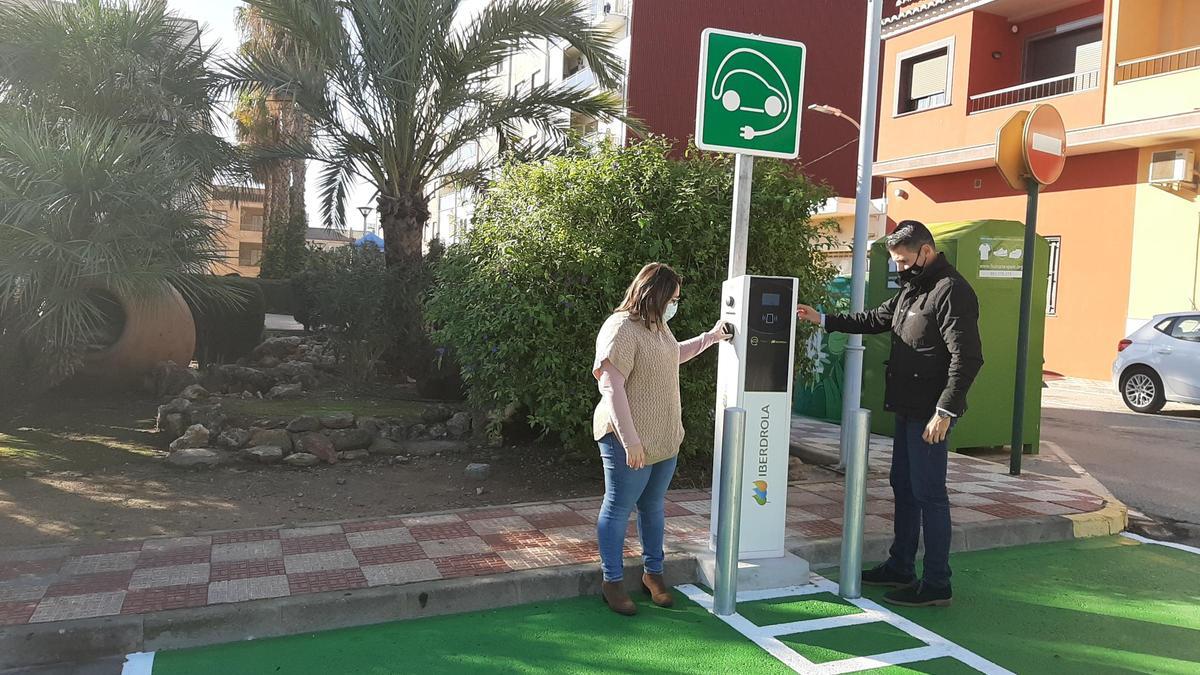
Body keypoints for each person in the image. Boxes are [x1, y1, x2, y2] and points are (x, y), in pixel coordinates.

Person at [796, 220, 983, 607]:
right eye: (896, 261)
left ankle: (936, 583)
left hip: (931, 415)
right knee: (904, 487)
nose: (899, 267)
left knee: (930, 495)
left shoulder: (951, 291)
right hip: (907, 409)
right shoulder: (913, 290)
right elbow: (874, 320)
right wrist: (823, 319)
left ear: (925, 252)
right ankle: (900, 565)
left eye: (903, 260)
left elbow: (967, 358)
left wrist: (945, 410)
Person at [591, 262, 731, 616]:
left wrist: (710, 338)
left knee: (652, 507)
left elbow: (671, 358)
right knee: (618, 508)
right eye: (673, 298)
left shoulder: (659, 327)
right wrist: (630, 440)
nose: (675, 304)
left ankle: (653, 574)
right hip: (629, 440)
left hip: (665, 439)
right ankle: (612, 581)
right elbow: (611, 385)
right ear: (655, 295)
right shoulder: (620, 328)